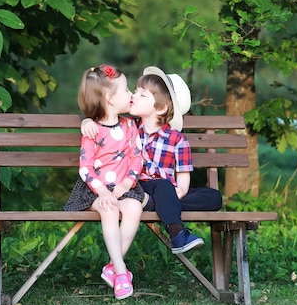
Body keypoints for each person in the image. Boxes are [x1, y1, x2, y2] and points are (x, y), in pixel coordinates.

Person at [82, 66, 222, 254]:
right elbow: (105, 117)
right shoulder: (128, 127)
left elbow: (183, 175)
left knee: (213, 197)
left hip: (165, 191)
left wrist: (180, 191)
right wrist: (87, 121)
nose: (133, 95)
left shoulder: (177, 139)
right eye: (135, 91)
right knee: (162, 186)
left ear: (160, 107)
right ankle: (177, 234)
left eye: (142, 94)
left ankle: (163, 204)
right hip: (135, 186)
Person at [64, 64, 143, 300]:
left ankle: (112, 267)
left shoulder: (130, 126)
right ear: (109, 98)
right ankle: (121, 273)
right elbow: (85, 168)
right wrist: (102, 192)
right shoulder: (92, 129)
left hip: (123, 188)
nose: (130, 94)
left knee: (134, 207)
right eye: (126, 89)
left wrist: (128, 184)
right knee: (109, 209)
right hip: (94, 191)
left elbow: (137, 158)